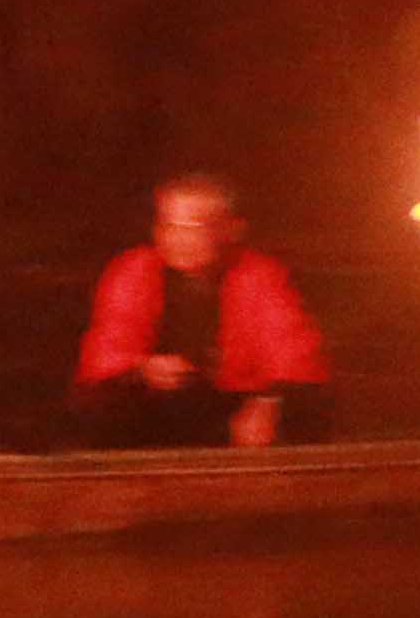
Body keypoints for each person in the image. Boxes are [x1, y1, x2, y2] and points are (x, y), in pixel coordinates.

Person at [70, 174, 331, 448]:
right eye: (169, 226)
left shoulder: (260, 276)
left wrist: (269, 404)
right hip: (149, 409)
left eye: (194, 227)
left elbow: (293, 353)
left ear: (231, 229)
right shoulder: (134, 271)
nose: (178, 240)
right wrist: (142, 368)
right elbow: (108, 347)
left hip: (233, 407)